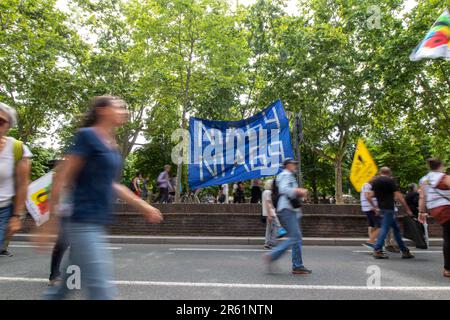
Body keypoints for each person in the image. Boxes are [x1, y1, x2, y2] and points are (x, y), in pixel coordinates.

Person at [37, 96, 163, 300]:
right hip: (81, 220)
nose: (124, 111)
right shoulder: (87, 136)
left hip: (96, 221)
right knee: (101, 289)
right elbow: (62, 177)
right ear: (103, 110)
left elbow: (112, 184)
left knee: (65, 287)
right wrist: (48, 223)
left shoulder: (112, 145)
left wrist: (143, 205)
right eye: (119, 107)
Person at [263, 158, 311, 275]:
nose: (295, 166)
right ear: (288, 165)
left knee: (296, 237)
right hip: (287, 209)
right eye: (294, 164)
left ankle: (297, 265)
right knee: (295, 237)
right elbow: (285, 189)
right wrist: (299, 191)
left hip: (291, 210)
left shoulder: (288, 175)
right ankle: (272, 255)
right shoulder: (285, 175)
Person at [0, 102, 32, 257]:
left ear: (8, 126)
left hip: (3, 210)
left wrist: (16, 216)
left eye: (0, 122)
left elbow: (22, 184)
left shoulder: (18, 149)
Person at [369, 167, 414, 259]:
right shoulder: (390, 181)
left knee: (396, 229)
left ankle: (405, 251)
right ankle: (377, 250)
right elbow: (399, 197)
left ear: (380, 172)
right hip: (389, 208)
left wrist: (375, 207)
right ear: (389, 173)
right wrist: (408, 209)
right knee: (384, 228)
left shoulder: (375, 181)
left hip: (381, 208)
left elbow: (370, 195)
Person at [418, 158, 450, 277]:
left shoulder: (424, 180)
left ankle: (448, 269)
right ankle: (447, 268)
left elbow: (422, 197)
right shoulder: (444, 177)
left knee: (448, 236)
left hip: (434, 210)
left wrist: (421, 212)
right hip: (447, 208)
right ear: (441, 165)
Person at [361, 181, 381, 249]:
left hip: (368, 208)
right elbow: (367, 196)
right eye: (374, 176)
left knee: (371, 224)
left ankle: (371, 241)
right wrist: (375, 207)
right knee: (380, 225)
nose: (375, 178)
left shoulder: (366, 185)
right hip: (370, 208)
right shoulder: (367, 185)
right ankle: (371, 241)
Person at [262, 179, 281, 249]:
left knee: (270, 228)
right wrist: (270, 214)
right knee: (277, 226)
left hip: (269, 213)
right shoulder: (268, 192)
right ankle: (271, 242)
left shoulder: (265, 192)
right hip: (271, 213)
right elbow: (268, 203)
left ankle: (268, 243)